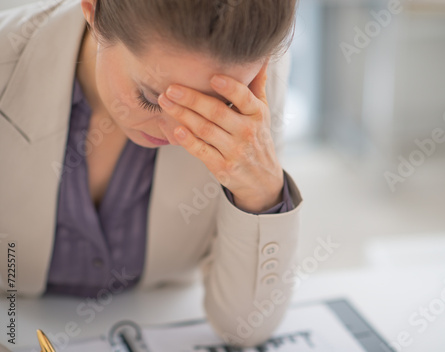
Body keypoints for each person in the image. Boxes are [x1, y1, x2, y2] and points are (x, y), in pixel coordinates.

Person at [0, 0, 304, 347]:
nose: (178, 133)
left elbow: (246, 329)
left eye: (212, 109)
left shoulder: (255, 87)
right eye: (150, 98)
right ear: (93, 10)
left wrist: (262, 193)